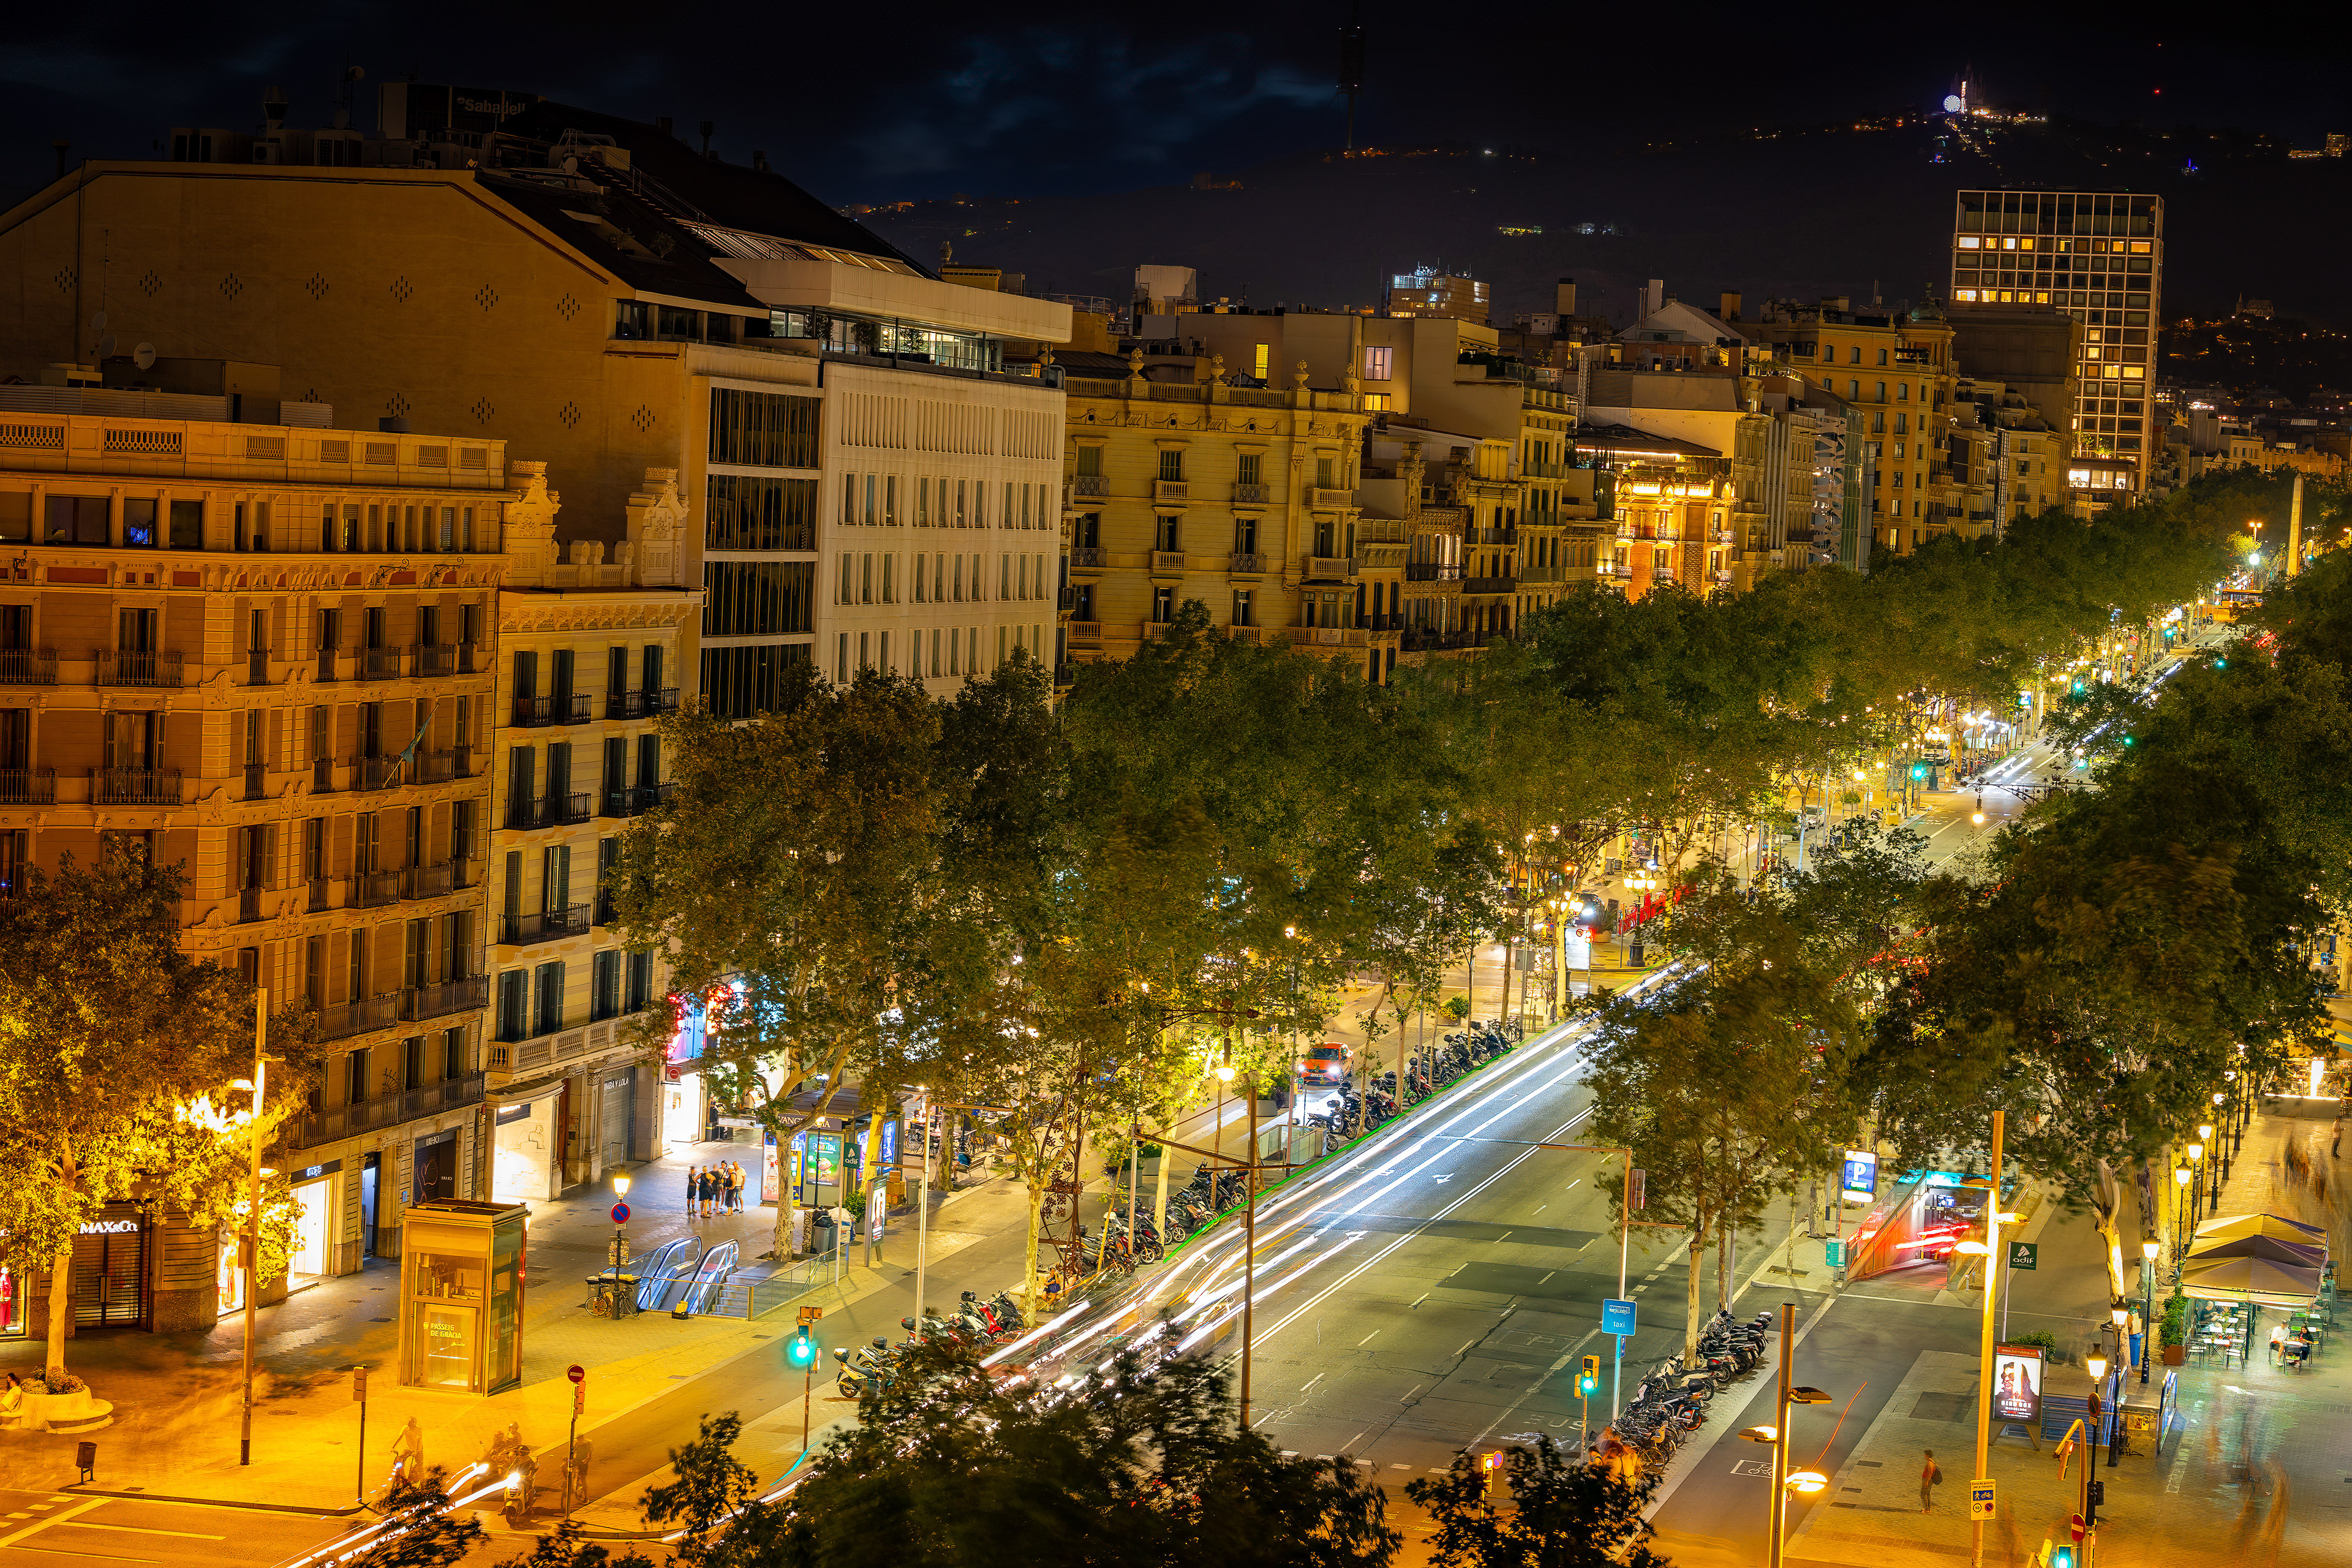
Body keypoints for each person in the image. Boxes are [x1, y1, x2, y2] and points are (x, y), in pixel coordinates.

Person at [1921, 1449, 1940, 1513]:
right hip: (1930, 1480)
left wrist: (1927, 1481)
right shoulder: (1933, 1462)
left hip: (1928, 1480)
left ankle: (1926, 1509)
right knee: (1928, 1494)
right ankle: (1928, 1509)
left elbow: (1930, 1473)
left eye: (1925, 1454)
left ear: (1927, 1455)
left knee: (1923, 1494)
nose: (1924, 1456)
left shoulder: (1929, 1463)